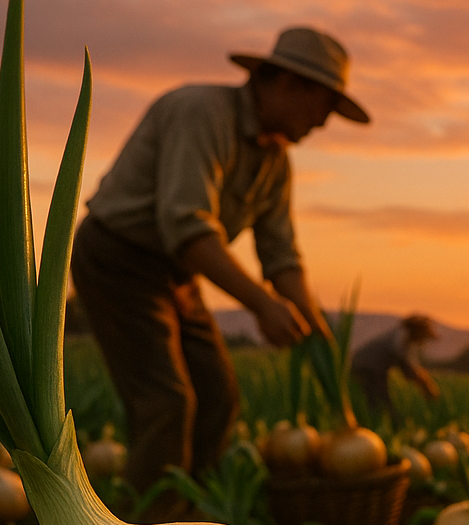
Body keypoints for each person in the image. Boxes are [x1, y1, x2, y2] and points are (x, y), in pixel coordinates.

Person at [70, 27, 370, 500]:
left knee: (218, 394)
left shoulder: (275, 161)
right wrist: (262, 306)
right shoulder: (202, 113)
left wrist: (313, 326)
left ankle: (193, 514)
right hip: (117, 258)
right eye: (324, 106)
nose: (323, 122)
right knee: (167, 402)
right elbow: (187, 230)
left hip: (175, 272)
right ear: (290, 85)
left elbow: (281, 255)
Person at [351, 314, 442, 425]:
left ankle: (379, 425)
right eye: (423, 335)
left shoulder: (403, 337)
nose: (423, 340)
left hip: (374, 369)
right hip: (367, 368)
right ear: (417, 331)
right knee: (377, 401)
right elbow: (407, 367)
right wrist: (425, 387)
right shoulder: (400, 339)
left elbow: (410, 366)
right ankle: (381, 426)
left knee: (378, 400)